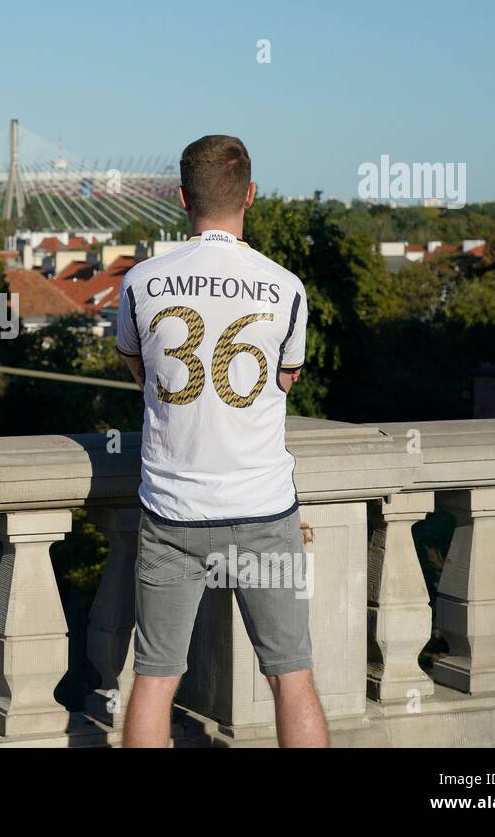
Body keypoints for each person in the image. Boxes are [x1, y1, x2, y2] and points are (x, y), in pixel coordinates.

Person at [116, 134, 329, 748]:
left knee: (155, 679)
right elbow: (286, 377)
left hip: (172, 512)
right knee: (292, 678)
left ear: (181, 197)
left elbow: (142, 371)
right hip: (264, 510)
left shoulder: (142, 280)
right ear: (251, 196)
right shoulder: (285, 287)